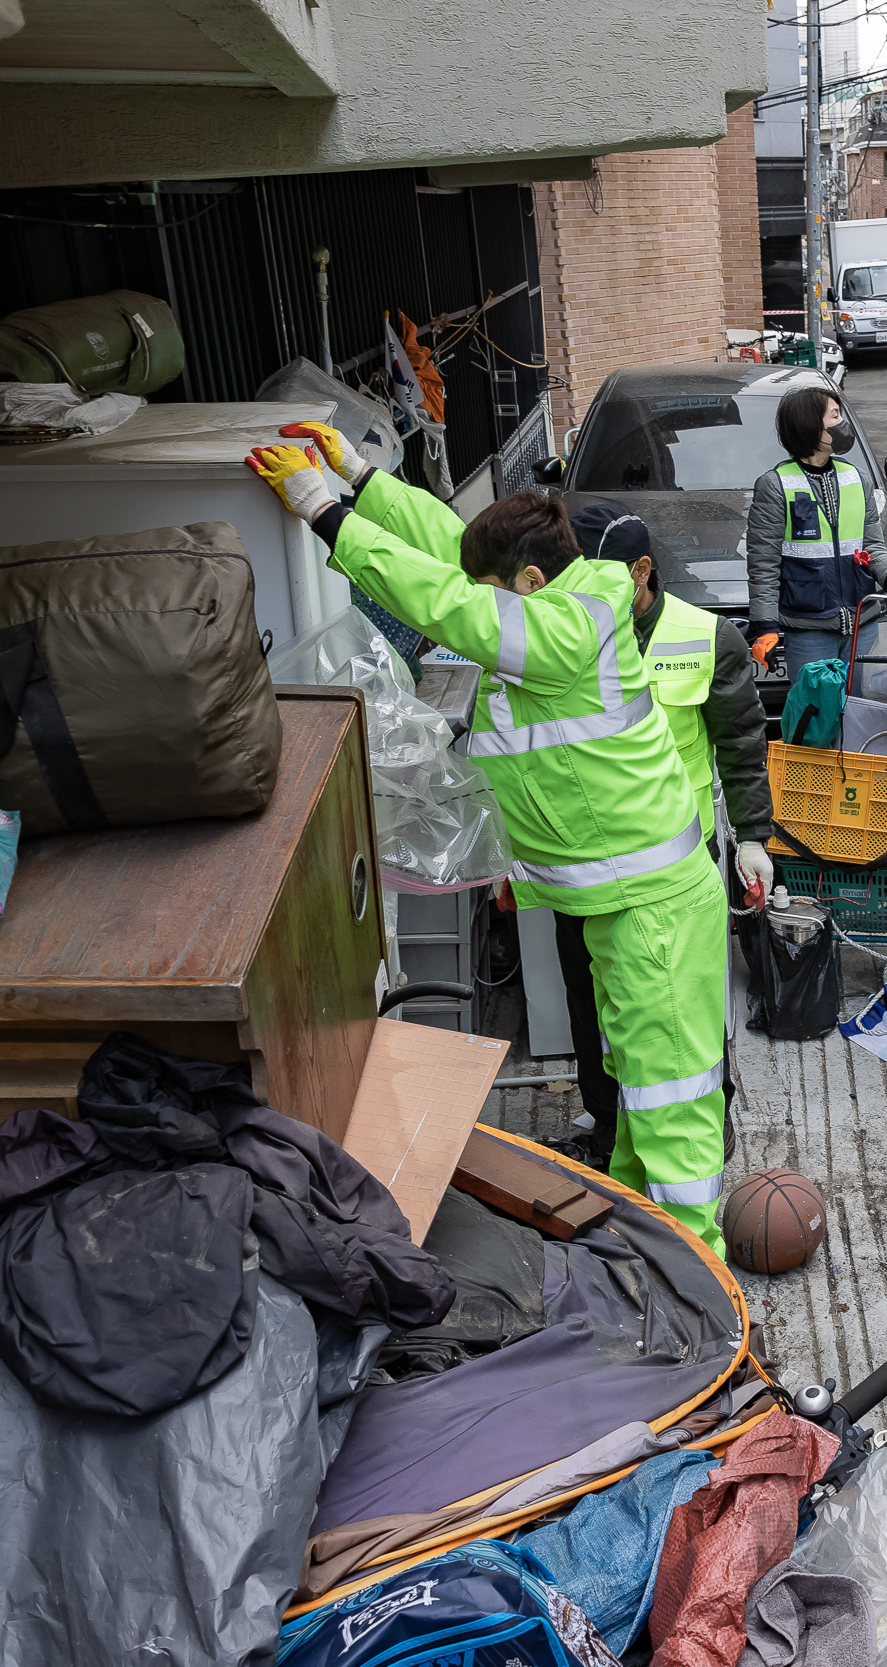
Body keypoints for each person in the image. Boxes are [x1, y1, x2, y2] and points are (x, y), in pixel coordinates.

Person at [246, 428, 731, 1254]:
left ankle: (701, 1291)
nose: (487, 603)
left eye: (499, 592)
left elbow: (447, 600)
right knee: (636, 1089)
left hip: (650, 909)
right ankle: (644, 1250)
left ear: (529, 582)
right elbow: (449, 555)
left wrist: (324, 512)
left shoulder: (566, 635)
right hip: (626, 904)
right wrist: (364, 478)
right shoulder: (565, 593)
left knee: (670, 1099)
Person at [549, 504, 773, 1174]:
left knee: (691, 1010)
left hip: (679, 869)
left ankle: (709, 1117)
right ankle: (608, 1125)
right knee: (593, 1008)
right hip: (586, 866)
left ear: (642, 572)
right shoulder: (559, 635)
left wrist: (753, 838)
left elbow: (739, 743)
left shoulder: (706, 638)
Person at [743, 383, 887, 677]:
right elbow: (764, 565)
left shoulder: (857, 479)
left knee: (862, 716)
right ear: (809, 425)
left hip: (863, 625)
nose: (842, 424)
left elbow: (872, 546)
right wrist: (765, 625)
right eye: (834, 416)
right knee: (818, 720)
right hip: (810, 630)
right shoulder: (775, 485)